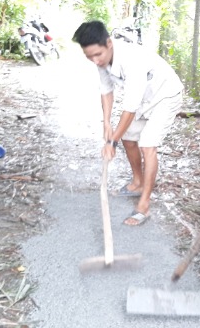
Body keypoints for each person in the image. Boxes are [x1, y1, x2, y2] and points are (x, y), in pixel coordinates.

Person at [73, 20, 184, 226]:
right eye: (90, 57)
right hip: (144, 99)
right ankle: (138, 182)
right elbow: (106, 90)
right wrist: (106, 123)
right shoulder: (102, 61)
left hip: (165, 95)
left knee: (147, 144)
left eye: (98, 55)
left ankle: (144, 204)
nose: (95, 61)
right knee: (128, 138)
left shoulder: (131, 59)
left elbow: (130, 108)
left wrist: (111, 142)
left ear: (109, 43)